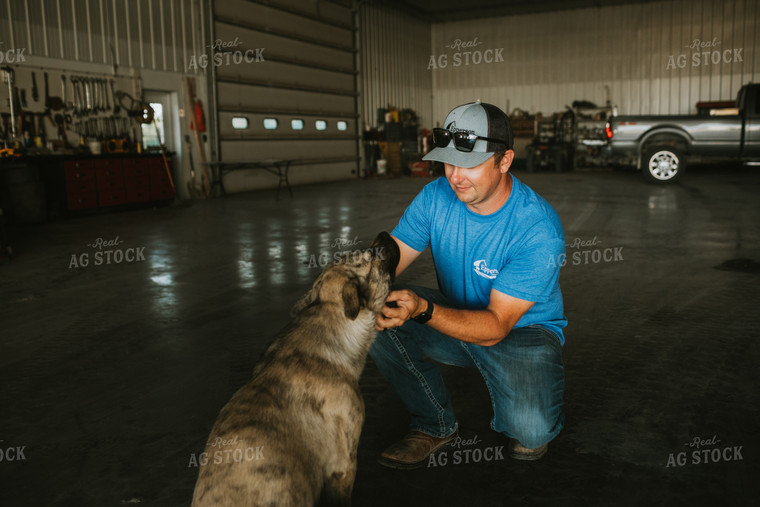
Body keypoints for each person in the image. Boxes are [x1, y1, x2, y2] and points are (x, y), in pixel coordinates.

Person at [370, 101, 567, 469]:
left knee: (532, 433)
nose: (455, 176)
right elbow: (390, 257)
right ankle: (434, 424)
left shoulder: (537, 229)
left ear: (504, 161)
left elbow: (494, 328)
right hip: (456, 313)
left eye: (470, 164)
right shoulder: (435, 197)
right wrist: (352, 281)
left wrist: (424, 309)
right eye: (448, 162)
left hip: (520, 331)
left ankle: (531, 388)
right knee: (377, 312)